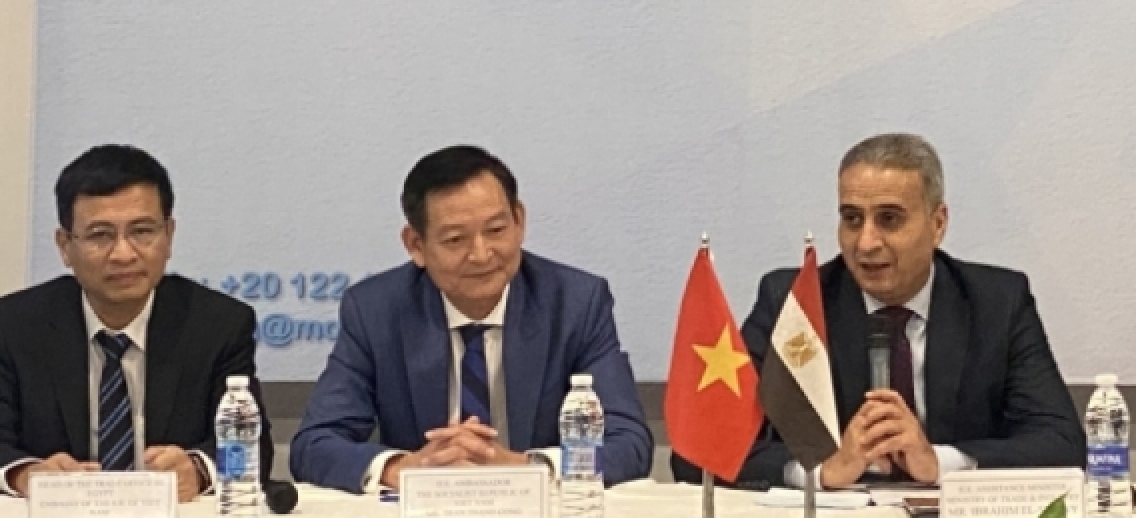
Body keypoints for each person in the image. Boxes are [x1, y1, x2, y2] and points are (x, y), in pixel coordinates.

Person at [681, 133, 1085, 488]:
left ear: (938, 223)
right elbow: (698, 449)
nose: (866, 243)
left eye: (889, 219)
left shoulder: (996, 301)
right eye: (852, 219)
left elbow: (1062, 444)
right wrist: (822, 471)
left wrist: (939, 462)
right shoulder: (794, 304)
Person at [290, 145, 652, 493]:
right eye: (455, 239)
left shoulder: (575, 303)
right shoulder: (375, 310)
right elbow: (314, 445)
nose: (481, 255)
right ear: (416, 245)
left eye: (496, 231)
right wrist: (406, 469)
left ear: (519, 221)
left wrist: (526, 467)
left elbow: (629, 444)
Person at [0, 145, 272, 500]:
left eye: (142, 232)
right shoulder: (14, 326)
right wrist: (24, 473)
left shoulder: (218, 324)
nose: (124, 254)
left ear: (169, 235)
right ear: (64, 246)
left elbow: (253, 445)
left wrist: (199, 469)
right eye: (100, 235)